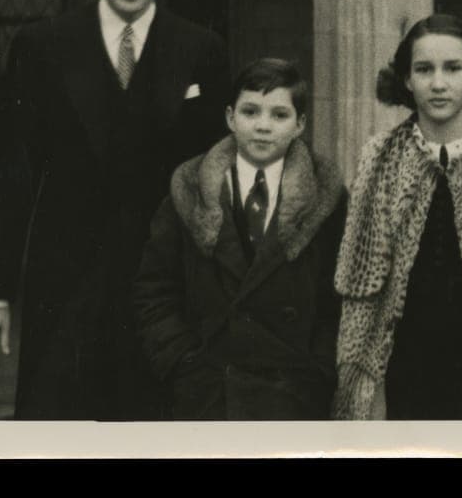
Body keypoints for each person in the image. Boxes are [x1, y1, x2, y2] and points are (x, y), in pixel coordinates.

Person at [0, 0, 230, 420]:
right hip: (64, 284)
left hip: (162, 290)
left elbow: (214, 177)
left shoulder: (200, 49)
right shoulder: (41, 46)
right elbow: (13, 174)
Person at [331, 14, 462, 420]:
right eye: (424, 69)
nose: (438, 83)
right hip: (398, 366)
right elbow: (356, 294)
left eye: (453, 68)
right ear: (407, 80)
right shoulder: (378, 158)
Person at [133, 59, 346, 420]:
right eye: (251, 112)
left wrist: (318, 370)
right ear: (231, 118)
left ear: (300, 125)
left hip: (293, 395)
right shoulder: (188, 190)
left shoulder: (328, 200)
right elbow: (153, 289)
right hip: (209, 394)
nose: (263, 126)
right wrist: (182, 362)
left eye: (279, 115)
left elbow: (339, 296)